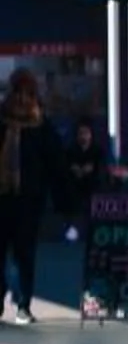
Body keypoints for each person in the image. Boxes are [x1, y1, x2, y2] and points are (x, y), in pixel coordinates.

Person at [0, 71, 58, 323]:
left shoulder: (41, 126)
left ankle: (23, 305)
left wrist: (61, 197)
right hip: (1, 199)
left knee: (25, 255)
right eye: (18, 92)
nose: (22, 98)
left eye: (27, 93)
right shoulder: (0, 121)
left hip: (28, 202)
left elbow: (55, 164)